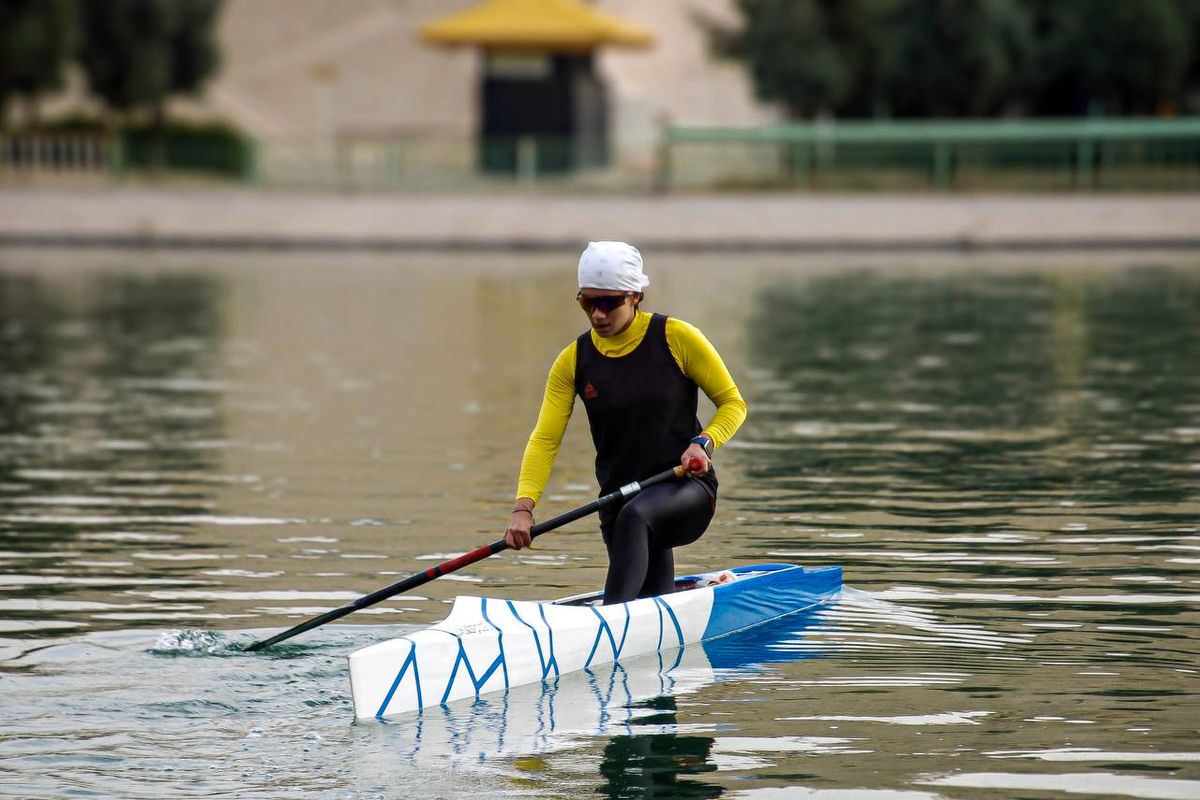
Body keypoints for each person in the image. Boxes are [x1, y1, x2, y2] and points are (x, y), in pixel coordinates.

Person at [504, 241, 747, 604]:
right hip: (616, 503)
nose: (597, 314)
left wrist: (704, 442)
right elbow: (545, 440)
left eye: (608, 302)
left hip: (684, 490)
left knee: (637, 518)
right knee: (649, 598)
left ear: (634, 296)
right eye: (588, 302)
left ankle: (610, 618)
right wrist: (523, 508)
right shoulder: (573, 361)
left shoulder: (677, 338)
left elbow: (733, 404)